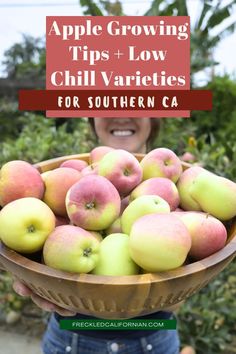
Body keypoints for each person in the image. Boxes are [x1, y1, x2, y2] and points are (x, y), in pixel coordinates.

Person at [13, 118, 195, 354]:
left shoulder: (181, 187)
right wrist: (27, 270)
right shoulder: (70, 177)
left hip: (155, 334)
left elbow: (178, 299)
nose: (121, 114)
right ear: (92, 118)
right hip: (70, 332)